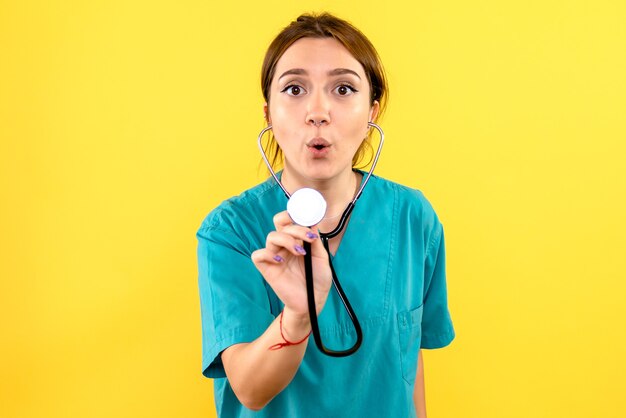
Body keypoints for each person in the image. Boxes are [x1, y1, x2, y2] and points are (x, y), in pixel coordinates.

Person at [197, 12, 455, 418]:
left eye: (343, 88)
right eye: (295, 88)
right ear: (268, 113)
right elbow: (248, 389)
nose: (318, 112)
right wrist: (298, 316)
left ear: (372, 112)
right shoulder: (229, 230)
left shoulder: (412, 217)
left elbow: (408, 362)